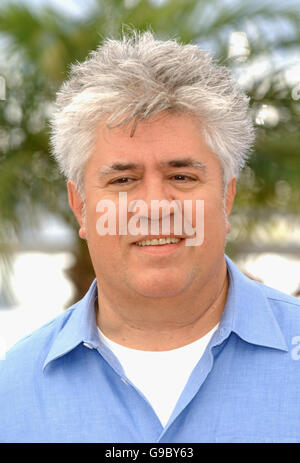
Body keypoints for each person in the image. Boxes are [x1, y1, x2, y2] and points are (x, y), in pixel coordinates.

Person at [1, 30, 300, 444]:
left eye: (182, 176)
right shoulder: (12, 389)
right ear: (80, 206)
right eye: (123, 179)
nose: (155, 206)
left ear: (227, 197)